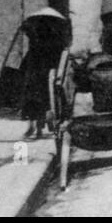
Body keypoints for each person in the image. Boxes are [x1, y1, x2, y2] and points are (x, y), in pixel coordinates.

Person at [20, 9, 69, 140]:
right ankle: (36, 127)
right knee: (39, 100)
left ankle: (36, 127)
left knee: (36, 100)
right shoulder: (48, 38)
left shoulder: (39, 38)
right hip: (39, 71)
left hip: (38, 71)